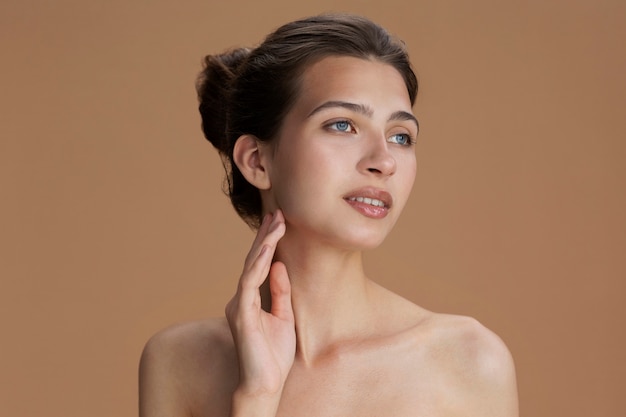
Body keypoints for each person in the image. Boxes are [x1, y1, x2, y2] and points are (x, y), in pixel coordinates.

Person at [138, 13, 518, 417]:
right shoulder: (179, 362)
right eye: (342, 125)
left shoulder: (467, 362)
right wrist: (257, 396)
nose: (384, 161)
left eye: (400, 136)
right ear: (257, 161)